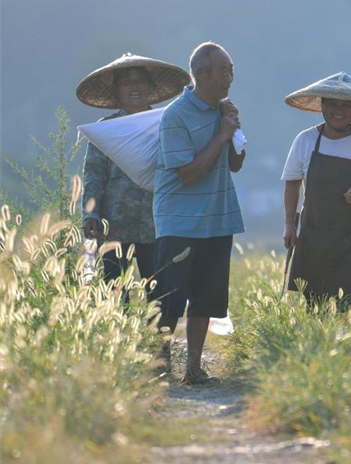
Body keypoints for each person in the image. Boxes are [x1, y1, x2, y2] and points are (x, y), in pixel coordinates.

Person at [152, 42, 245, 385]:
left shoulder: (224, 110)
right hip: (179, 218)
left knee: (207, 298)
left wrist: (232, 130)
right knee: (171, 299)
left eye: (231, 70)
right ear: (201, 74)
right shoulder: (176, 115)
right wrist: (222, 135)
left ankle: (193, 366)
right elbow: (187, 174)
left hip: (218, 216)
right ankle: (160, 365)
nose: (230, 77)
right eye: (223, 71)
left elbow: (235, 164)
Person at [78, 53, 189, 293]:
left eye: (140, 81)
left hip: (157, 225)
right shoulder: (106, 129)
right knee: (116, 296)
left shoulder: (167, 123)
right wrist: (91, 212)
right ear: (117, 90)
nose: (135, 87)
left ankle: (159, 333)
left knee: (160, 296)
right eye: (126, 82)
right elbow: (94, 176)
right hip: (115, 226)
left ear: (150, 87)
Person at [282, 72, 351, 312]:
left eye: (345, 105)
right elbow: (292, 182)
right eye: (332, 104)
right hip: (315, 234)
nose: (338, 110)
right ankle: (315, 348)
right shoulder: (305, 140)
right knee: (314, 307)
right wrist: (290, 225)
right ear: (322, 105)